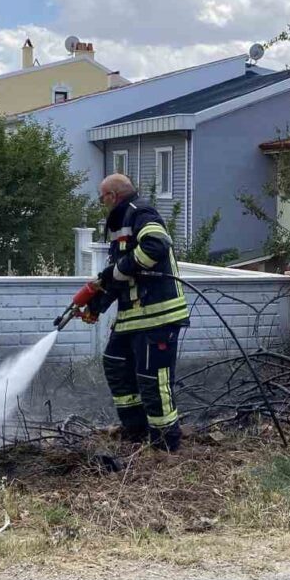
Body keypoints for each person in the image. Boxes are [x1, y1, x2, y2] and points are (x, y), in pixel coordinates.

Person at [81, 174, 190, 452]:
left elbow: (155, 246)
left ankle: (166, 444)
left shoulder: (140, 212)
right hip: (133, 317)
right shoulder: (120, 224)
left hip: (158, 314)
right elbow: (122, 274)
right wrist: (98, 304)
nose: (101, 202)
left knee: (154, 379)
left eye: (101, 197)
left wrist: (116, 270)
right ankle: (135, 430)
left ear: (113, 196)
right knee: (115, 362)